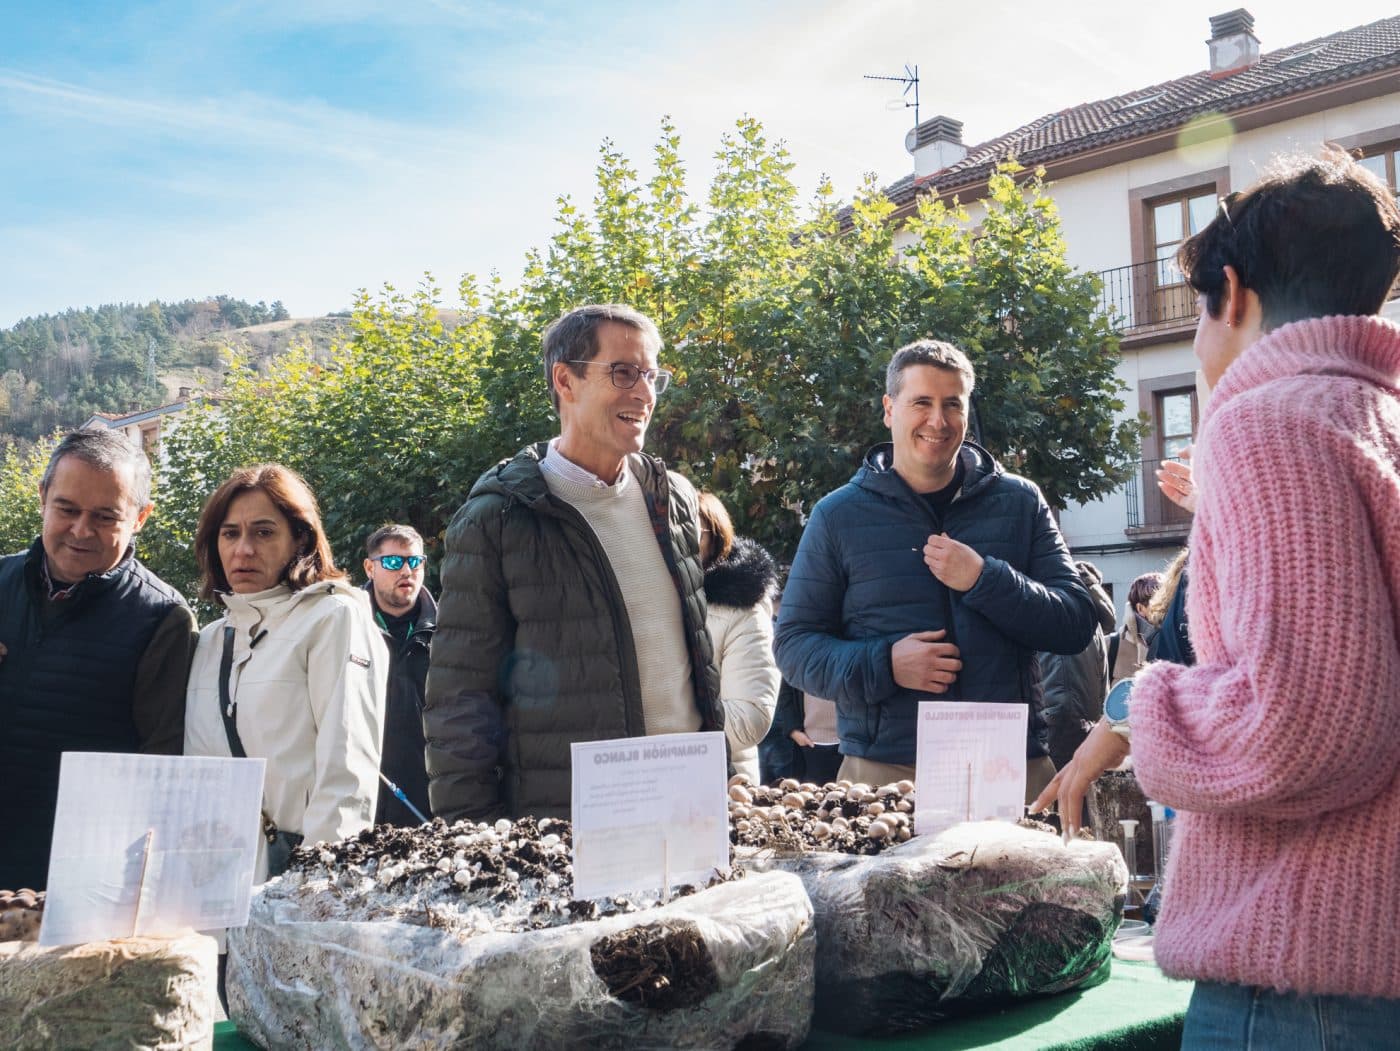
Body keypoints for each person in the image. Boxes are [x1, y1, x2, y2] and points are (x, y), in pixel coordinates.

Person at [1043, 150, 1400, 1043]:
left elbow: (1306, 723)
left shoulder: (1266, 420)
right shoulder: (1377, 420)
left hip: (1304, 971)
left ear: (1231, 293)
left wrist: (1145, 707)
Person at [424, 303, 725, 823]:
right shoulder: (498, 518)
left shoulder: (673, 497)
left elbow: (699, 667)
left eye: (652, 375)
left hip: (688, 809)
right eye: (624, 372)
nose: (645, 393)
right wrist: (476, 836)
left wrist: (723, 775)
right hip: (569, 826)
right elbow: (460, 699)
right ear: (565, 380)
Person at [775, 339, 1096, 802]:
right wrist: (885, 664)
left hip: (1007, 762)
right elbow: (794, 647)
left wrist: (986, 579)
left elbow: (1076, 622)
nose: (938, 421)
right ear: (889, 409)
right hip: (885, 771)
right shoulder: (836, 515)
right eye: (921, 403)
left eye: (952, 404)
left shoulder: (1021, 501)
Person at [0, 428, 197, 890]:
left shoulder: (163, 619)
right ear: (43, 497)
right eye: (67, 509)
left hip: (73, 885)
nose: (81, 530)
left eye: (105, 517)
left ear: (140, 518)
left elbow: (160, 768)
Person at [183, 464, 387, 881]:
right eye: (230, 533)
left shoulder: (333, 617)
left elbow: (348, 770)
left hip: (295, 879)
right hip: (213, 882)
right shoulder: (209, 641)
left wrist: (316, 886)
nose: (243, 549)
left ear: (300, 539)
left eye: (263, 532)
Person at [696, 491, 779, 784]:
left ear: (716, 537)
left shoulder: (744, 607)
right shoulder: (648, 599)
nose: (677, 542)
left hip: (724, 781)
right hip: (646, 781)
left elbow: (749, 719)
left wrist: (664, 723)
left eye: (693, 531)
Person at [362, 523, 437, 826]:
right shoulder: (345, 628)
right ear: (370, 568)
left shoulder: (449, 634)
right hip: (360, 801)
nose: (406, 571)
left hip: (428, 805)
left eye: (415, 561)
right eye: (393, 562)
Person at [1038, 560, 1117, 770]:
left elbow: (1061, 688)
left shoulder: (1056, 609)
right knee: (1085, 784)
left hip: (1057, 722)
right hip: (1090, 722)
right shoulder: (1092, 618)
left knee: (1058, 786)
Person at [1108, 570, 1163, 683]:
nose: (1166, 608)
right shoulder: (1110, 645)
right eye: (1160, 603)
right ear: (1140, 608)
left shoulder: (1177, 642)